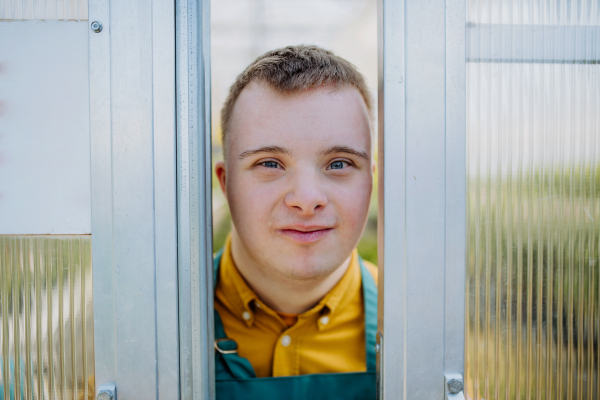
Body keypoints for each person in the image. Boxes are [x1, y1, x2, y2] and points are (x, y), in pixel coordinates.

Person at [213, 45, 377, 399]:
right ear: (225, 184)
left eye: (339, 163)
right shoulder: (153, 326)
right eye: (269, 164)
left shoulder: (418, 322)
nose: (306, 199)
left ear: (372, 182)